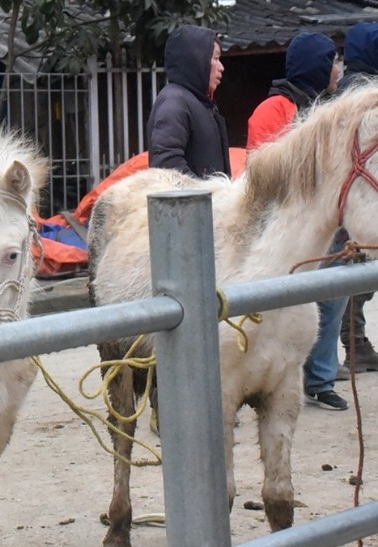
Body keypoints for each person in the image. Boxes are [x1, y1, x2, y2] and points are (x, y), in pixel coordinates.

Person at [245, 32, 348, 410]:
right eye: (333, 61)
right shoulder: (272, 110)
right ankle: (273, 376)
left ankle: (321, 379)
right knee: (284, 305)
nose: (339, 68)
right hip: (284, 228)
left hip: (324, 225)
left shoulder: (327, 110)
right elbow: (267, 172)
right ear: (317, 65)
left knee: (333, 298)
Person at [333, 21, 378, 380]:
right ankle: (351, 346)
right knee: (354, 271)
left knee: (361, 272)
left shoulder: (370, 87)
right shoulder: (361, 93)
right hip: (358, 197)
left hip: (366, 195)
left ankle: (353, 345)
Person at [147, 25, 231, 179]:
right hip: (190, 202)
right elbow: (167, 164)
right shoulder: (174, 102)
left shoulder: (201, 103)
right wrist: (200, 195)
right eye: (216, 58)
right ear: (197, 60)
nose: (221, 67)